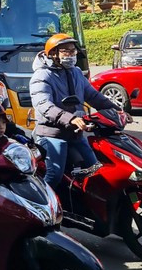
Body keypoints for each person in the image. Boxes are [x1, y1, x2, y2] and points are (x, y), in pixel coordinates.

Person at [31, 33, 121, 190]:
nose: (71, 55)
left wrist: (118, 111)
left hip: (76, 132)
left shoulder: (76, 72)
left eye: (73, 51)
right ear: (53, 54)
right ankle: (40, 207)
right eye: (66, 51)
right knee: (54, 175)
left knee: (95, 169)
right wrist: (70, 118)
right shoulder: (42, 75)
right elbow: (43, 105)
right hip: (52, 134)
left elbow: (93, 96)